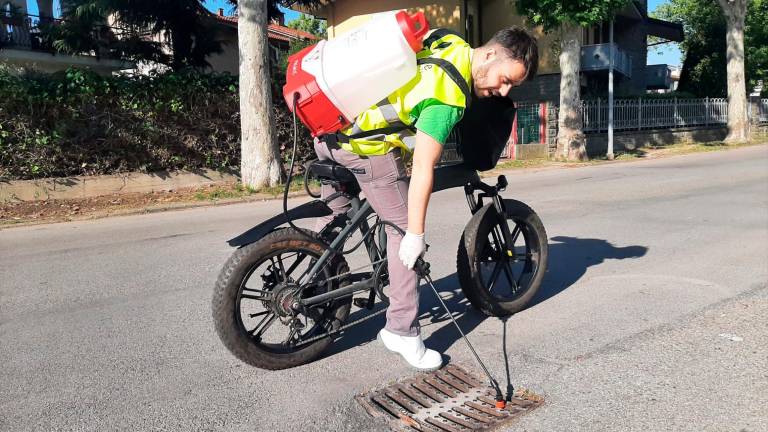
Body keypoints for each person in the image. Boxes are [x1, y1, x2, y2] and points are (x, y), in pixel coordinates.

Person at [314, 25, 538, 371]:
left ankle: (315, 273)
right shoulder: (448, 96)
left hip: (328, 130)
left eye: (511, 87)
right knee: (402, 228)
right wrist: (415, 235)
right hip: (363, 147)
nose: (502, 90)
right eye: (505, 79)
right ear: (491, 54)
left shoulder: (450, 42)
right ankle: (401, 331)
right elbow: (423, 168)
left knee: (341, 218)